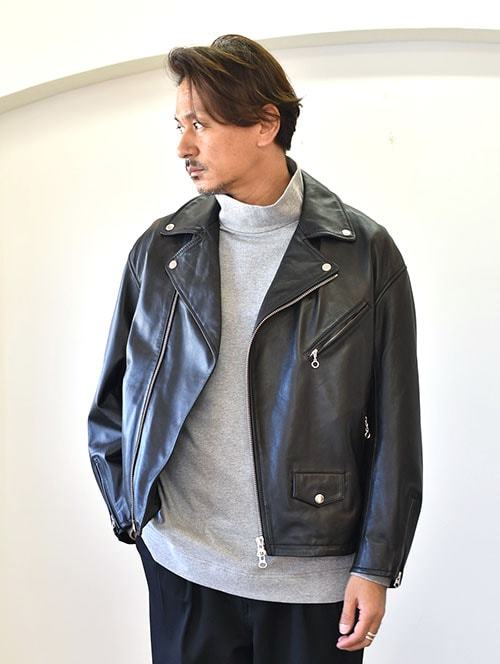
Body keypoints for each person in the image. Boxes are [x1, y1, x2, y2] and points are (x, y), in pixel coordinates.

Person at [88, 33, 423, 664]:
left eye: (201, 124)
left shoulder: (363, 254)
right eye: (180, 125)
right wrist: (132, 508)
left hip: (312, 581)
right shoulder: (162, 250)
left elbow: (396, 424)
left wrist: (377, 565)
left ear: (266, 124)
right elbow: (116, 396)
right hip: (184, 567)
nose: (183, 146)